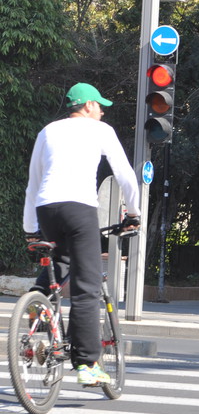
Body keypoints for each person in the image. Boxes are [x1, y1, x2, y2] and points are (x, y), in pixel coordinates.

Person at [23, 83, 141, 385]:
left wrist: (30, 231)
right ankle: (86, 364)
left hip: (47, 209)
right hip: (79, 208)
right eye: (99, 105)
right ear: (87, 105)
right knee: (86, 285)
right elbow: (125, 174)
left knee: (58, 263)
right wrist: (133, 214)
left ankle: (37, 329)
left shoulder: (47, 131)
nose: (102, 111)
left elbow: (33, 184)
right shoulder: (99, 130)